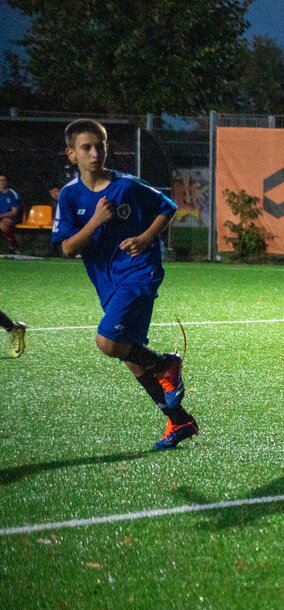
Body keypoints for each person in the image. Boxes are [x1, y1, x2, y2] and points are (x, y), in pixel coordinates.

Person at [52, 119, 198, 450]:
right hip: (107, 283)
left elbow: (168, 207)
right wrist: (95, 221)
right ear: (72, 154)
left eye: (100, 146)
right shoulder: (70, 195)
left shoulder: (127, 186)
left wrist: (145, 238)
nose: (95, 153)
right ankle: (180, 421)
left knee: (107, 342)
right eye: (86, 147)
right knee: (130, 356)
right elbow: (67, 248)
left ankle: (167, 364)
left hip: (139, 272)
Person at [0, 174, 21, 253]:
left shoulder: (12, 194)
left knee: (4, 224)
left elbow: (14, 212)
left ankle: (13, 246)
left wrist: (1, 215)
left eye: (3, 180)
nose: (1, 182)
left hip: (11, 217)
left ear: (7, 182)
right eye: (0, 180)